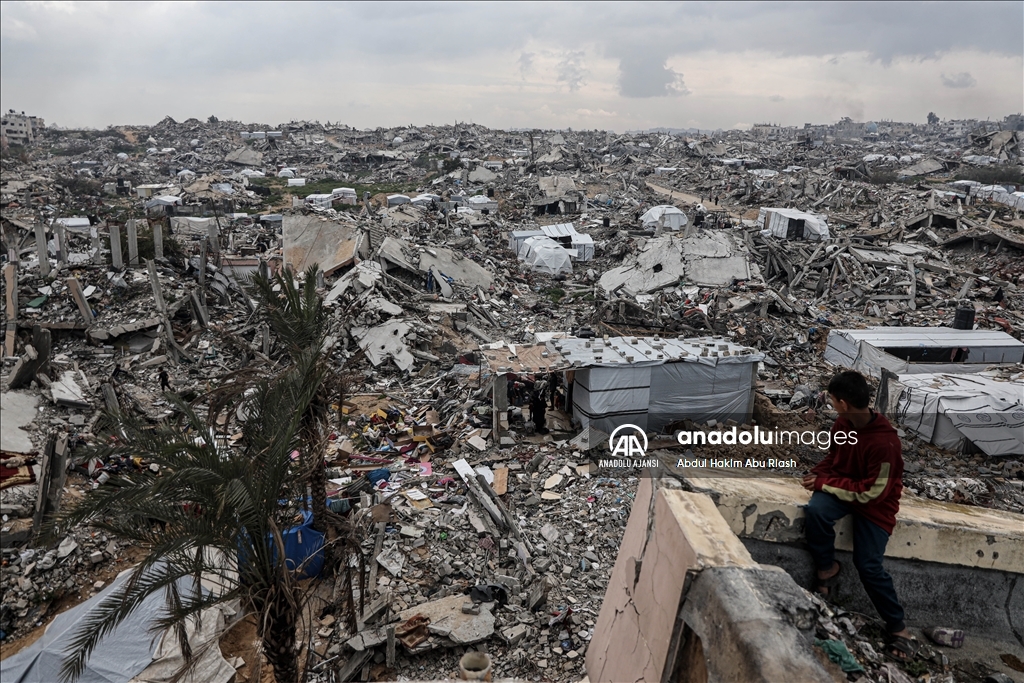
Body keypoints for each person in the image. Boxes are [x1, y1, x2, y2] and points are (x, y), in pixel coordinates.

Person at [803, 370, 917, 662]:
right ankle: (826, 569)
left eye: (831, 399)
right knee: (815, 511)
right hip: (843, 488)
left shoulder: (885, 444)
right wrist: (820, 473)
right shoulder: (842, 423)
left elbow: (871, 495)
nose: (830, 404)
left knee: (868, 565)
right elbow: (835, 458)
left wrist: (824, 483)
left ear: (842, 402)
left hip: (874, 505)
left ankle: (898, 628)